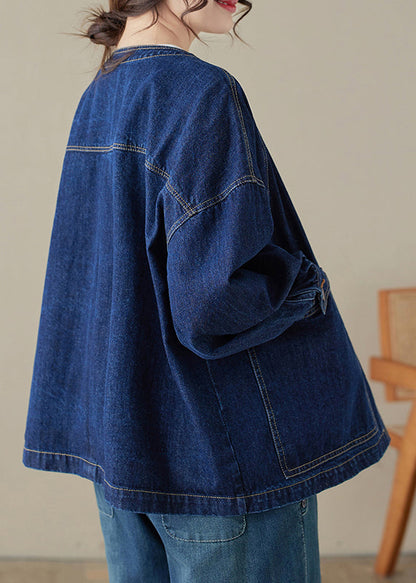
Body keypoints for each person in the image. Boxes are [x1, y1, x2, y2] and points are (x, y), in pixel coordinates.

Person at [22, 1, 391, 581]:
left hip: (127, 447)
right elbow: (211, 302)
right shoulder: (201, 91)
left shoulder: (101, 93)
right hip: (220, 455)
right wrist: (303, 286)